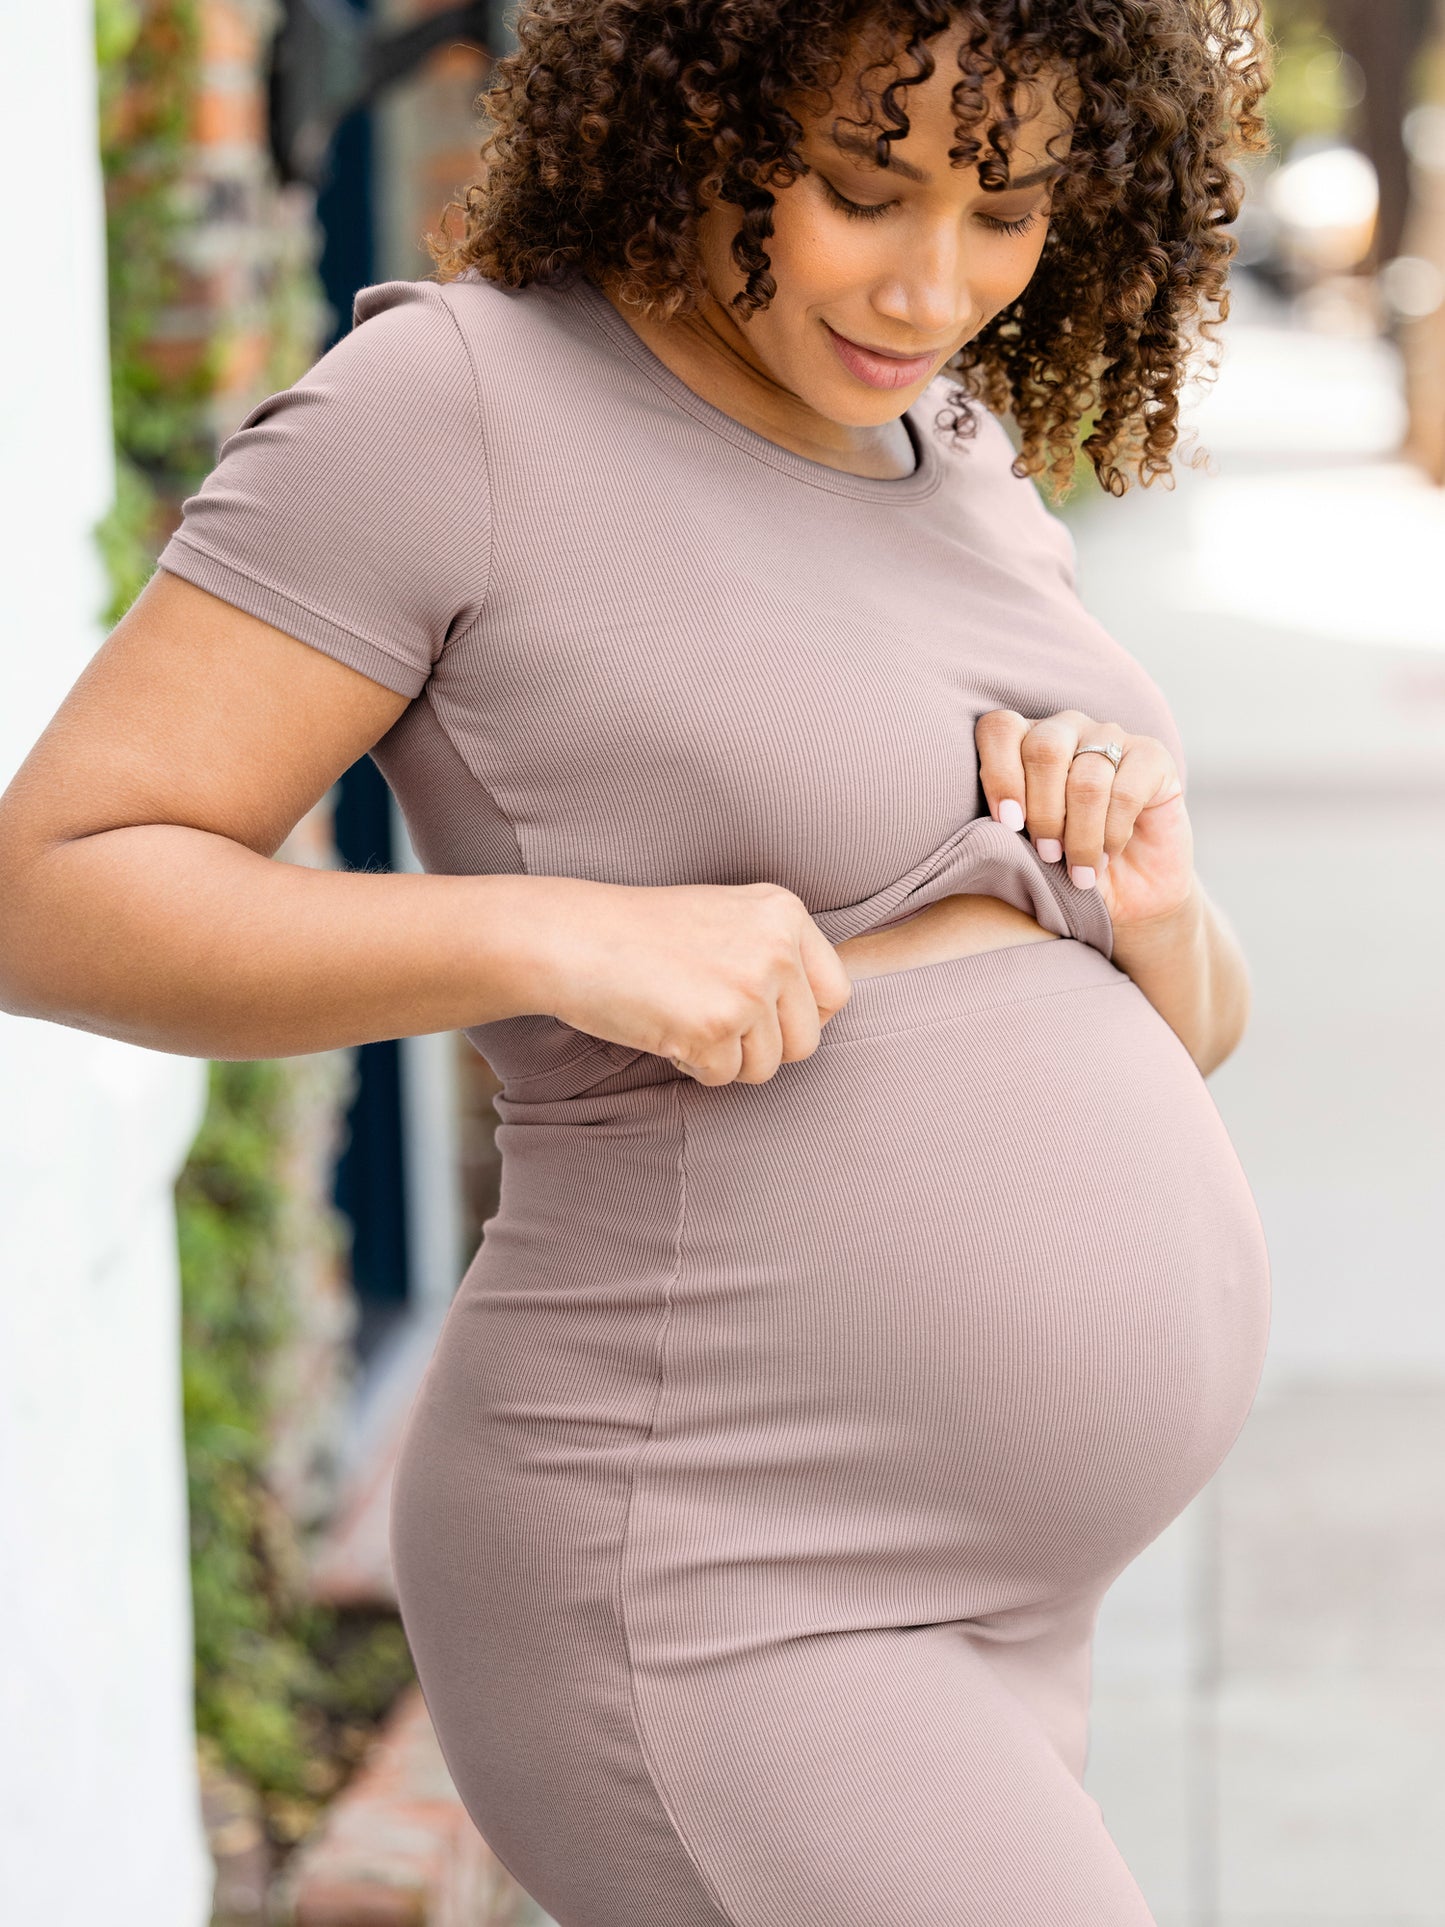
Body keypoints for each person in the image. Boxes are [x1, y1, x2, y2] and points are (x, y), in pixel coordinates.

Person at [0, 2, 1275, 1920]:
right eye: (866, 188)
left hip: (997, 1615)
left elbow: (1189, 1033)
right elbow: (53, 886)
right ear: (703, 107)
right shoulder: (456, 407)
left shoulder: (953, 445)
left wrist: (1153, 906)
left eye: (1007, 211)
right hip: (712, 1569)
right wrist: (549, 933)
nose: (932, 281)